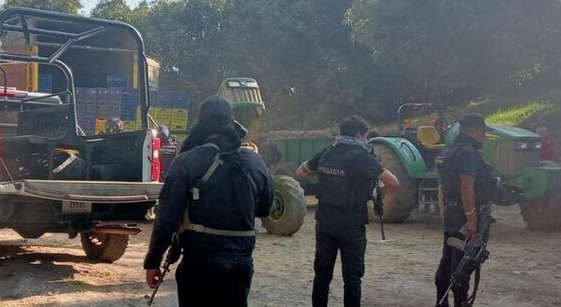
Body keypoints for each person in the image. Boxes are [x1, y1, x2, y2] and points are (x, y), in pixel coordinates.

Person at [143, 96, 274, 306]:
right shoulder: (254, 161)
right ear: (232, 121)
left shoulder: (187, 161)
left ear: (201, 123)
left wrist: (153, 261)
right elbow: (265, 208)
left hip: (200, 263)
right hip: (241, 264)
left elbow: (167, 217)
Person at [295, 116, 399, 307]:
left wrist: (324, 173)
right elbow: (393, 182)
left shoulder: (327, 153)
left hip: (325, 222)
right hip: (351, 223)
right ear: (359, 135)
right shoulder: (362, 157)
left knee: (322, 275)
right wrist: (374, 192)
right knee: (352, 277)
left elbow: (301, 172)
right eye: (365, 136)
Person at [434, 113, 496, 307]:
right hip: (465, 213)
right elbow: (466, 186)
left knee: (448, 260)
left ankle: (441, 302)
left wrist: (444, 209)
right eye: (482, 131)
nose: (484, 136)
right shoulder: (468, 152)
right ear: (472, 130)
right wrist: (471, 218)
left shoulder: (450, 150)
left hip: (453, 211)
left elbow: (443, 185)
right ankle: (460, 302)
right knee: (464, 265)